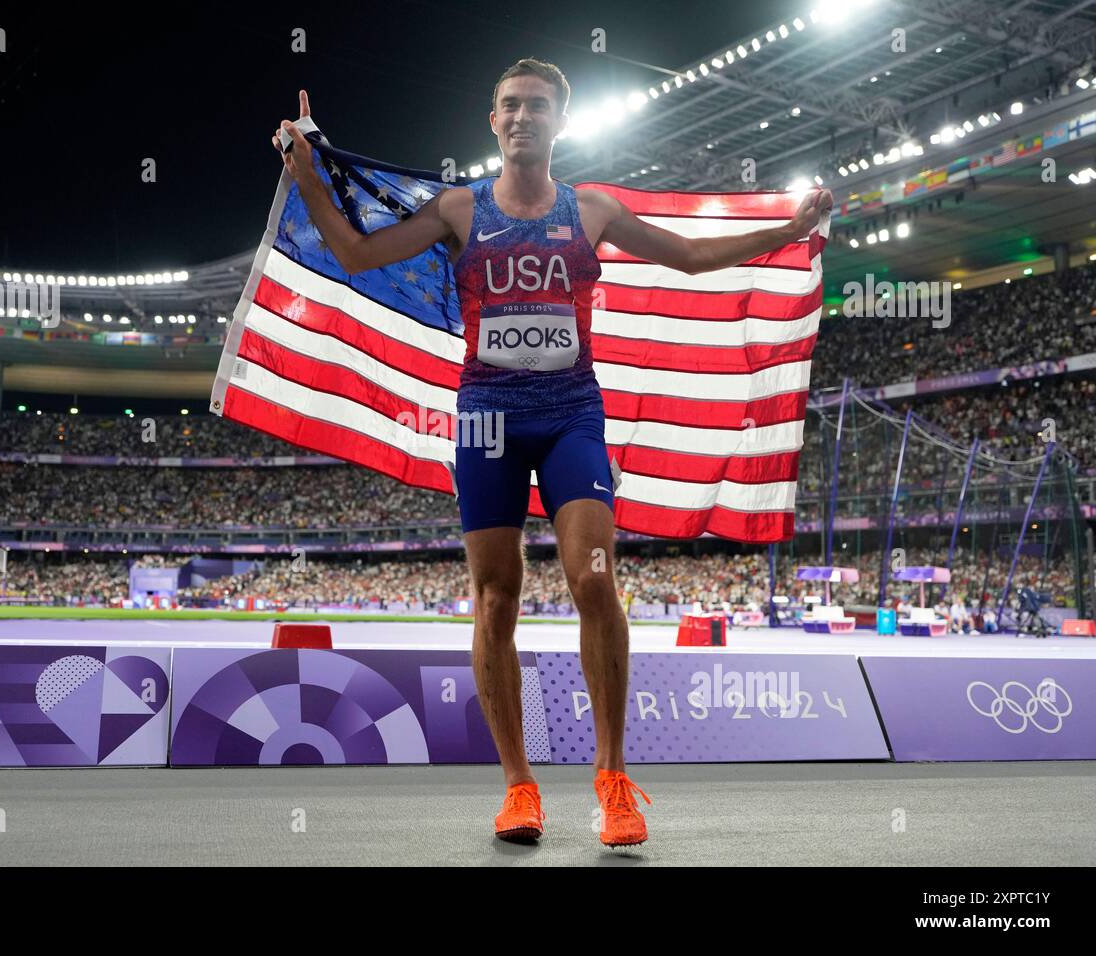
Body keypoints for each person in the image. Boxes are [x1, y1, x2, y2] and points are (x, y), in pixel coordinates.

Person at [273, 59, 831, 848]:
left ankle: (611, 782)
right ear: (492, 120)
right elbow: (358, 255)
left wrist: (792, 229)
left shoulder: (590, 208)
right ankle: (518, 788)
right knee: (495, 597)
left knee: (592, 579)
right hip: (487, 416)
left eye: (538, 106)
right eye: (511, 105)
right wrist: (307, 177)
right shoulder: (459, 207)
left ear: (558, 123)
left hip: (571, 412)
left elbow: (694, 258)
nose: (524, 116)